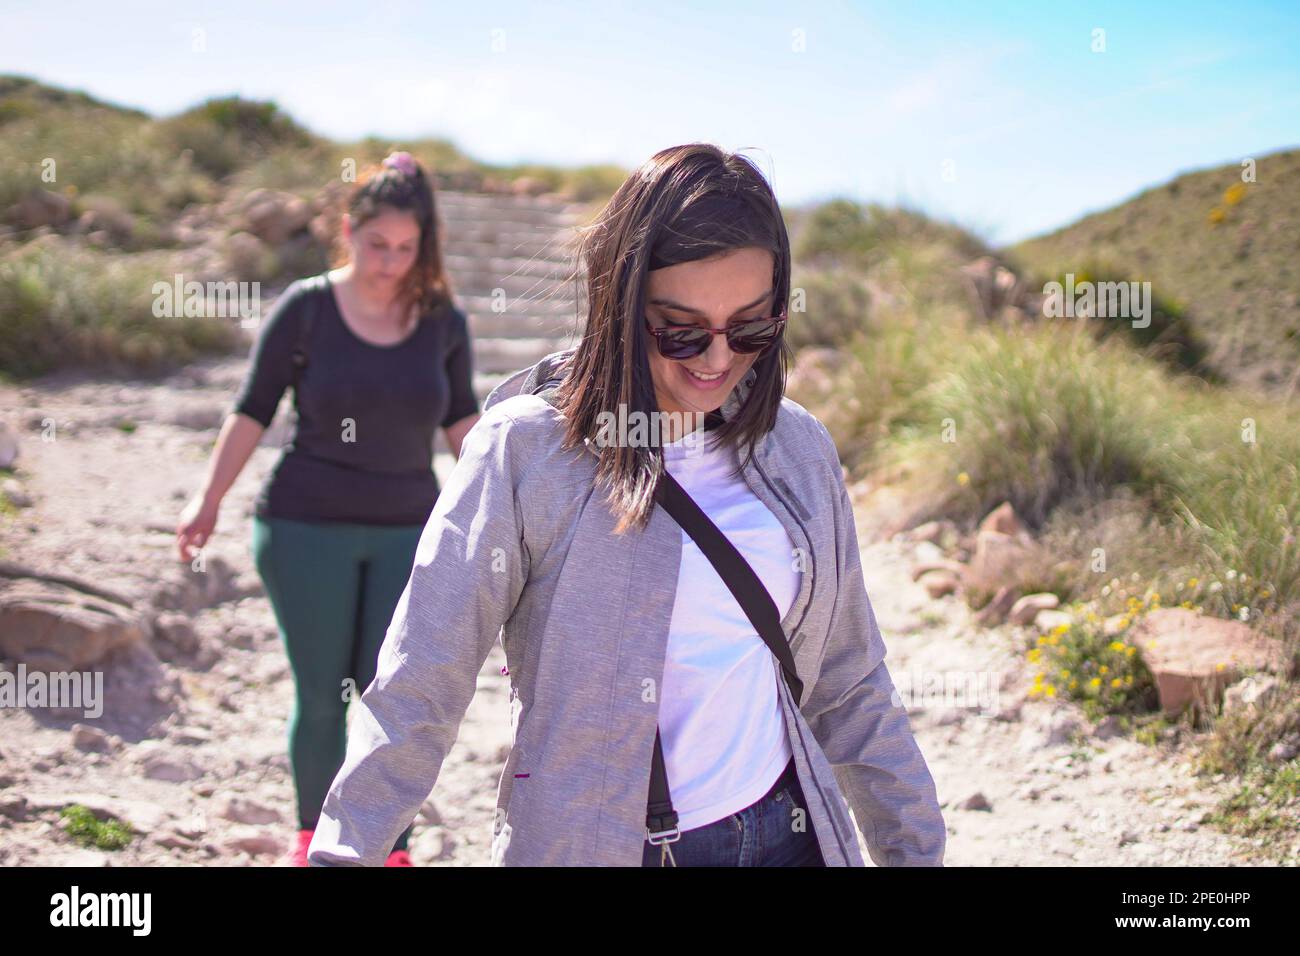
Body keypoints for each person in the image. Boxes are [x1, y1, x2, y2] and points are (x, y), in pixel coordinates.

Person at [307, 143, 946, 866]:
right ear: (619, 300)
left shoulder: (798, 449)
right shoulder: (526, 455)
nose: (715, 359)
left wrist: (913, 848)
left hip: (785, 835)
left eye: (751, 327)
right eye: (678, 328)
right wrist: (344, 853)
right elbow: (419, 688)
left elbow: (851, 681)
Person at [175, 151, 480, 866]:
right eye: (378, 245)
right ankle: (313, 840)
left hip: (410, 530)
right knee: (322, 696)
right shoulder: (307, 308)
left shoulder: (444, 323)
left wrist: (516, 514)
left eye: (407, 249)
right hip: (304, 528)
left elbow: (465, 425)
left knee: (391, 697)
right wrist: (207, 497)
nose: (390, 262)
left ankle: (389, 848)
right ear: (350, 229)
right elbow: (251, 410)